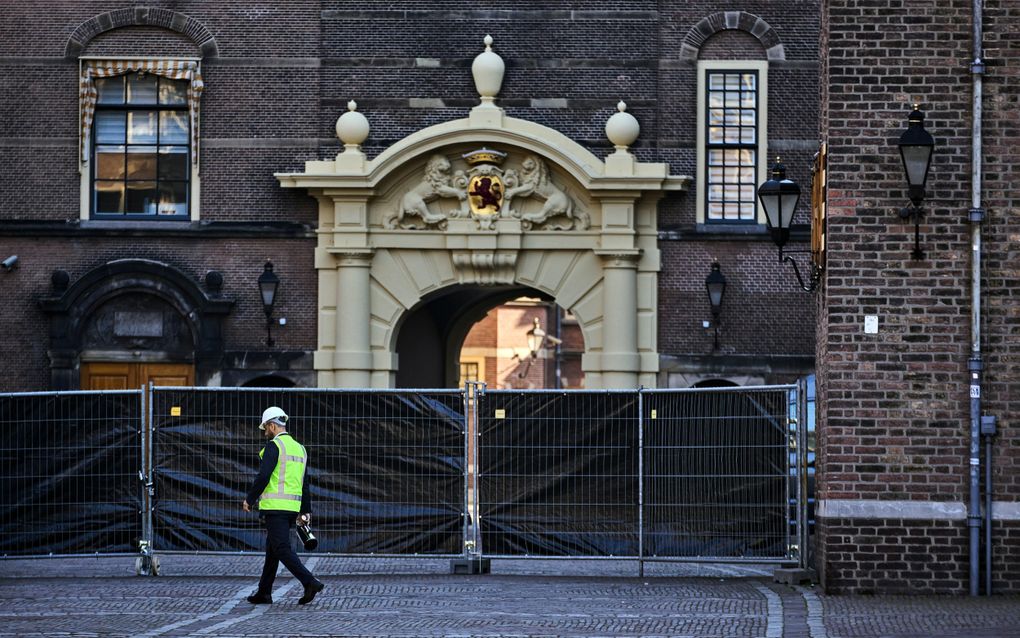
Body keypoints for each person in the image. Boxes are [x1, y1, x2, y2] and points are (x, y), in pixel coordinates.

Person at [243, 406, 325, 605]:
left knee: (281, 548)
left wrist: (250, 499)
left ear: (272, 425)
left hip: (275, 507)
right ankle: (264, 592)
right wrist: (305, 511)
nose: (265, 433)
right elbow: (304, 482)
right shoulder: (300, 448)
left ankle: (309, 582)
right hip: (292, 508)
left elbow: (264, 476)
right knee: (272, 550)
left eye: (265, 428)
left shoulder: (274, 446)